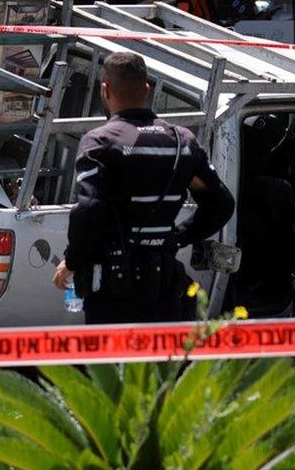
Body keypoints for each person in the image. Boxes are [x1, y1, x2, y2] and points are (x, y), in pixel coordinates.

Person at [52, 51, 235, 324]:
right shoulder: (182, 142)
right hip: (164, 284)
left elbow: (88, 210)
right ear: (146, 89)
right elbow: (221, 205)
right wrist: (176, 237)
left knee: (114, 364)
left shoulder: (100, 142)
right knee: (159, 364)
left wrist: (72, 261)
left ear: (105, 90)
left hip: (113, 290)